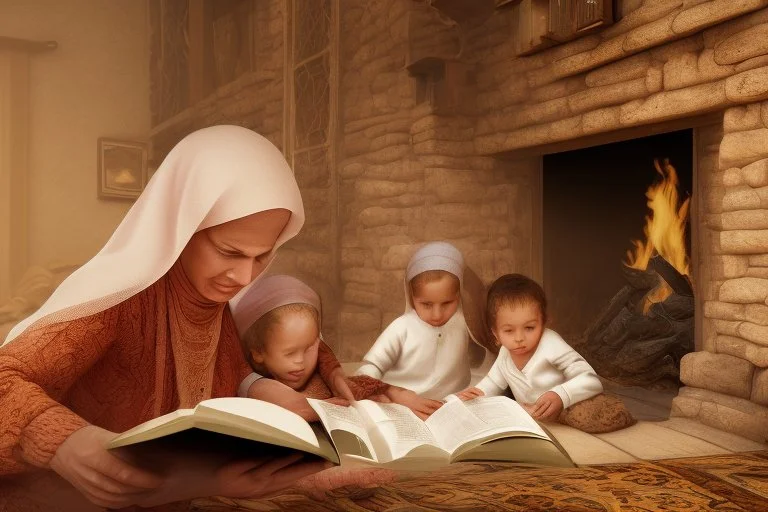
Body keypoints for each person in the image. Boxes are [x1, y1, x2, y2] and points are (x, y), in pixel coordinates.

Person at [0, 125, 330, 510]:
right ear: (181, 227)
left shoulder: (208, 297)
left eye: (262, 257)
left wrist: (257, 387)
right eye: (229, 251)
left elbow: (221, 368)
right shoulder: (119, 299)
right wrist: (63, 442)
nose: (244, 278)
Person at [232, 274, 443, 420]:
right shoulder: (252, 381)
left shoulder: (321, 370)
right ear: (258, 353)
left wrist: (398, 394)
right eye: (289, 353)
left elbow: (356, 385)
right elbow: (281, 399)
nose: (300, 361)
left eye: (308, 349)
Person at [457, 274, 636, 433]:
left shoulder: (550, 343)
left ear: (543, 324)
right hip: (534, 415)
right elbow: (493, 382)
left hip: (569, 405)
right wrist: (478, 392)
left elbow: (590, 379)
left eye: (529, 328)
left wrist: (560, 395)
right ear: (496, 334)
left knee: (588, 415)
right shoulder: (505, 353)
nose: (519, 338)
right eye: (509, 331)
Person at [355, 241, 494, 402]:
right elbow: (370, 368)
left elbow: (485, 365)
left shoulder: (465, 324)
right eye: (426, 304)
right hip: (402, 403)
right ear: (412, 297)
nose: (437, 315)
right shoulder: (402, 328)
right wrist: (386, 393)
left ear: (459, 295)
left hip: (450, 404)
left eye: (447, 303)